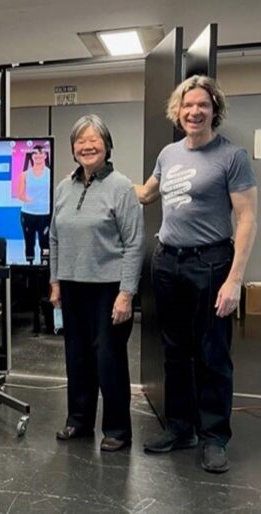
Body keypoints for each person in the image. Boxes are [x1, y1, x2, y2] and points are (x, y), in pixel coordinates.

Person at [136, 75, 257, 473]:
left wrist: (235, 279)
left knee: (212, 354)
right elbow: (146, 194)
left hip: (211, 264)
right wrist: (99, 173)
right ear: (178, 110)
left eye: (203, 104)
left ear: (214, 109)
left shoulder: (232, 156)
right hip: (168, 262)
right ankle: (180, 428)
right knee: (175, 352)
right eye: (188, 105)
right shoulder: (168, 154)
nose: (194, 111)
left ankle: (214, 437)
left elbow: (247, 219)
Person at [49, 115, 144, 452]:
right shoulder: (64, 188)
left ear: (107, 145)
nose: (87, 146)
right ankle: (79, 420)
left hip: (109, 288)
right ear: (73, 148)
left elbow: (134, 243)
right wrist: (55, 282)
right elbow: (54, 237)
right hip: (72, 285)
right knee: (77, 357)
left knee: (109, 359)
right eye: (80, 141)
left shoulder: (121, 187)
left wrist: (126, 293)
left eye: (94, 140)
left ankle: (117, 429)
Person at [18, 145, 51, 264]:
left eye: (40, 153)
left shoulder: (50, 174)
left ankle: (45, 265)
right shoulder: (25, 174)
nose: (38, 156)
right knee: (29, 242)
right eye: (35, 153)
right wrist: (29, 200)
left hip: (45, 214)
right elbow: (20, 194)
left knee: (45, 242)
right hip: (28, 214)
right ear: (31, 156)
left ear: (45, 156)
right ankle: (29, 264)